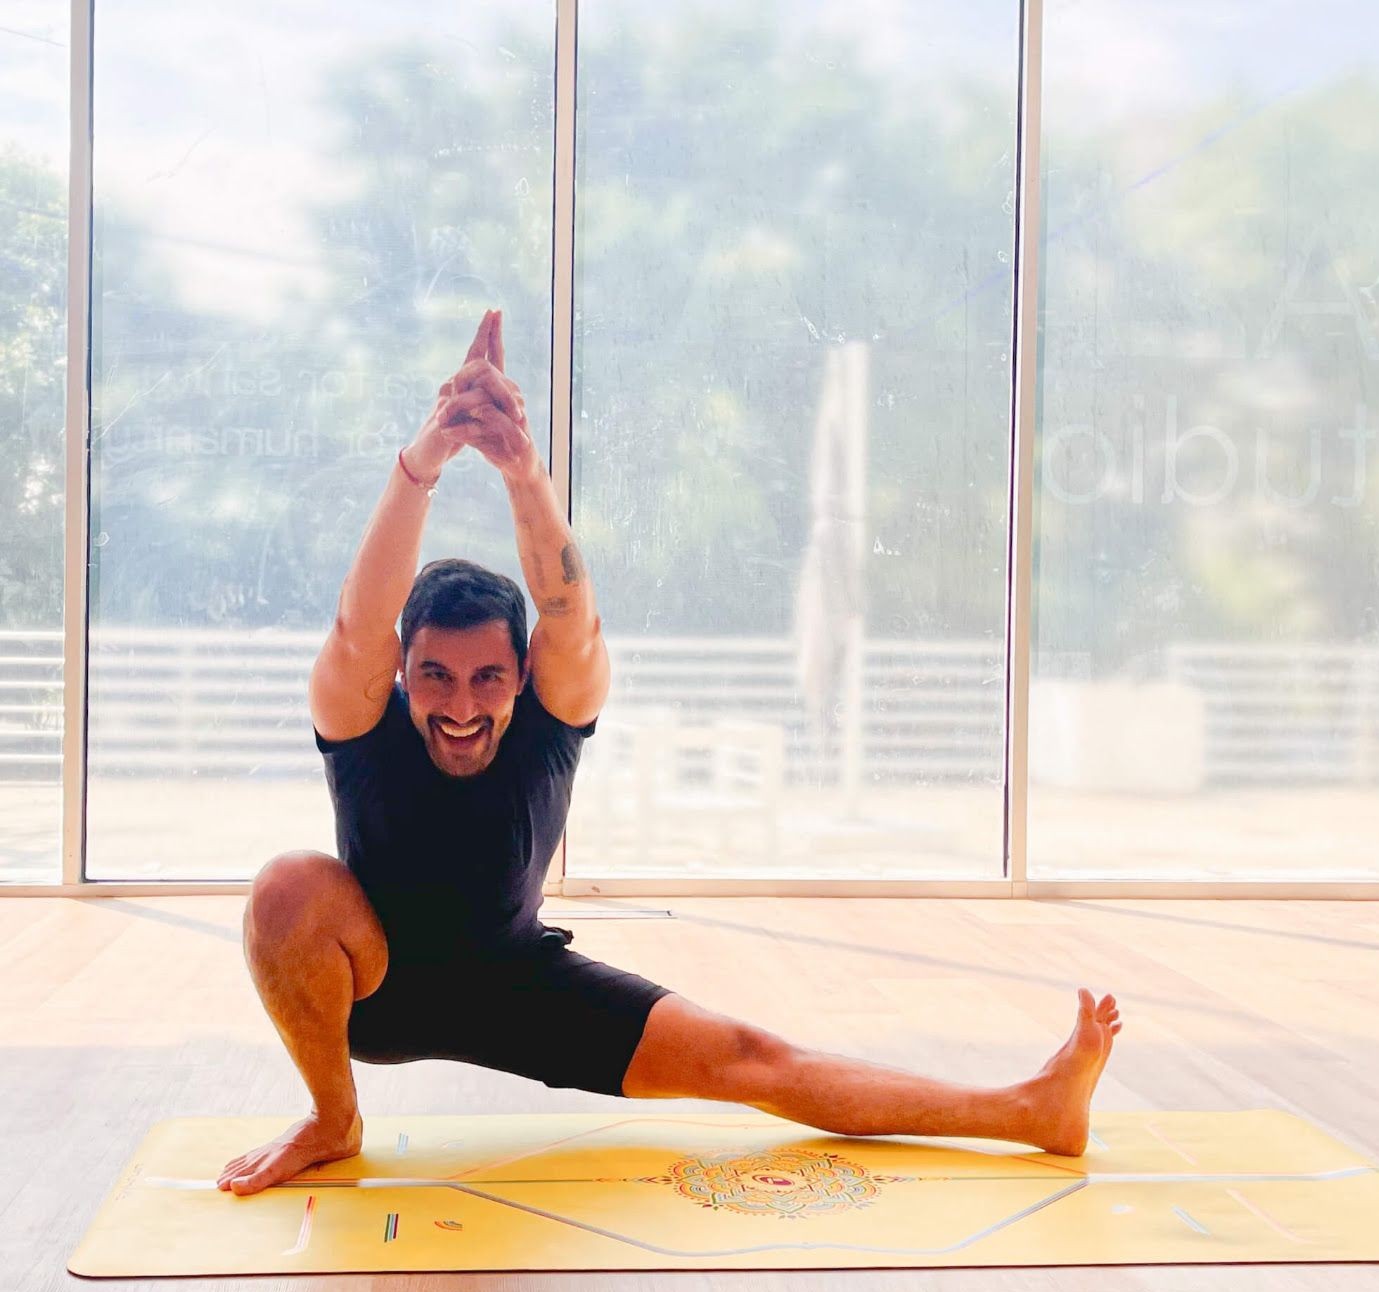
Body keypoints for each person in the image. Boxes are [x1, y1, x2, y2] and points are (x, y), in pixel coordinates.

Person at [217, 310, 1123, 1197]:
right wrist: (424, 463)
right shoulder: (363, 721)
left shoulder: (550, 713)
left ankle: (1028, 1110)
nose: (461, 705)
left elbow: (570, 614)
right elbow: (358, 623)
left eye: (488, 677)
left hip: (516, 982)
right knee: (288, 885)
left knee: (754, 1059)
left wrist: (520, 469)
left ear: (521, 673)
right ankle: (334, 1120)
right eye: (436, 677)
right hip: (377, 989)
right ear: (402, 672)